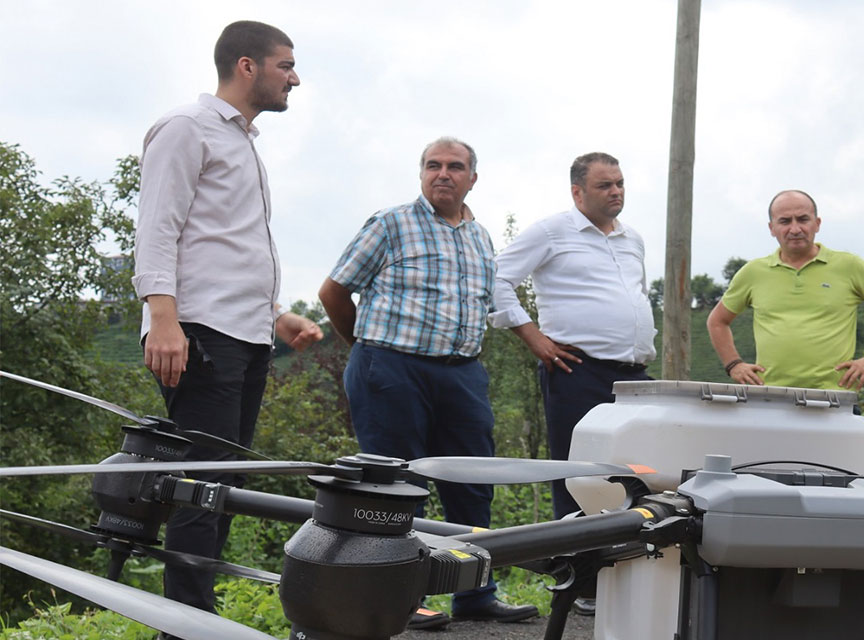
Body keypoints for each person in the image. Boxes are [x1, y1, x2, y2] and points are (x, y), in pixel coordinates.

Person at [132, 20, 323, 627]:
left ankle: (198, 616)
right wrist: (164, 319)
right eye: (285, 65)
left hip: (245, 333)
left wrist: (277, 315)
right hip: (199, 332)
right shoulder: (186, 128)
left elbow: (224, 246)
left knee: (224, 483)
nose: (295, 78)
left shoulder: (243, 141)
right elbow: (157, 227)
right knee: (202, 482)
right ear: (247, 66)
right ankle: (187, 623)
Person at [318, 137, 537, 626]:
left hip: (462, 374)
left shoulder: (479, 236)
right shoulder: (390, 224)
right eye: (433, 165)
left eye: (455, 166)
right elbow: (333, 291)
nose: (443, 173)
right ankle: (396, 597)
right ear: (421, 174)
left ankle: (474, 594)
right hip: (392, 369)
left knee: (472, 482)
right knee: (395, 486)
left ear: (472, 179)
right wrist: (367, 347)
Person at [489, 152, 655, 616]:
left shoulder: (632, 239)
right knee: (579, 473)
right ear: (577, 192)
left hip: (633, 375)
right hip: (576, 369)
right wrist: (533, 337)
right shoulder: (551, 231)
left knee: (637, 474)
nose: (616, 191)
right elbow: (496, 279)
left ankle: (625, 576)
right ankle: (580, 581)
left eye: (620, 183)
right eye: (605, 185)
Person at [707, 189, 864, 390]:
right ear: (772, 228)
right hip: (770, 397)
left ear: (817, 224)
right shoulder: (753, 273)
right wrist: (733, 364)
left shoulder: (849, 266)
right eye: (785, 221)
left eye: (803, 219)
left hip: (834, 397)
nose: (795, 229)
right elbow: (717, 321)